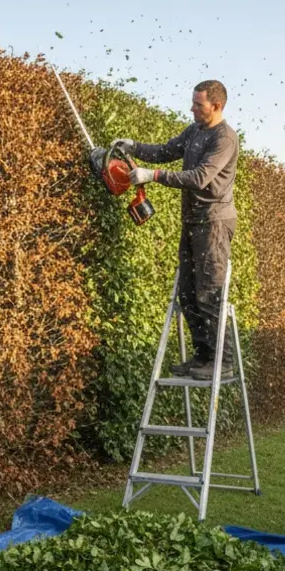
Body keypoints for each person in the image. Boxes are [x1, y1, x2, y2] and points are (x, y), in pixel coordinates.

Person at [95, 79, 239, 381]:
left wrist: (153, 175)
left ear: (216, 106)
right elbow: (164, 150)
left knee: (210, 292)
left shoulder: (224, 138)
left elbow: (200, 177)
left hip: (214, 222)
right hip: (192, 221)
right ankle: (203, 357)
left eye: (198, 104)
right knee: (187, 293)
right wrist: (134, 147)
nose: (192, 108)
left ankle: (222, 361)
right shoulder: (194, 131)